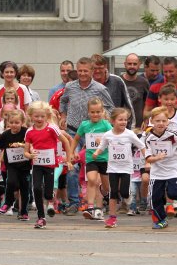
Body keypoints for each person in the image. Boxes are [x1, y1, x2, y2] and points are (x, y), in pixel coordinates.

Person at [59, 57, 114, 215]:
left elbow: (110, 107)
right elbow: (63, 101)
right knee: (72, 165)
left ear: (92, 71)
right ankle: (74, 202)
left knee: (98, 169)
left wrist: (101, 120)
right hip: (74, 130)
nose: (82, 74)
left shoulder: (100, 88)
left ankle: (102, 198)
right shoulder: (70, 86)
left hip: (94, 133)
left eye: (86, 71)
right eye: (80, 71)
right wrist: (63, 116)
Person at [23, 101, 74, 229]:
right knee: (36, 188)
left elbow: (66, 142)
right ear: (31, 116)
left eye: (42, 116)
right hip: (37, 164)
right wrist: (30, 155)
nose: (39, 119)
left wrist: (68, 160)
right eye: (36, 116)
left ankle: (50, 197)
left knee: (47, 193)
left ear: (47, 116)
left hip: (50, 165)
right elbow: (26, 152)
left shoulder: (52, 128)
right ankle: (41, 217)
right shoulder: (29, 131)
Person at [92, 108, 145, 228]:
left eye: (125, 120)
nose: (123, 122)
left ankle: (128, 194)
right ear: (113, 121)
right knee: (113, 193)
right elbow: (102, 146)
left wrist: (147, 158)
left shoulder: (129, 134)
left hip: (126, 168)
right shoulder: (108, 135)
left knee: (124, 193)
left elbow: (141, 145)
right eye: (120, 119)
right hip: (113, 168)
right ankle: (112, 218)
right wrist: (96, 153)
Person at [68, 97, 112, 221]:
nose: (95, 114)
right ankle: (93, 208)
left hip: (104, 159)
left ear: (102, 112)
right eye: (92, 112)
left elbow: (113, 138)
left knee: (105, 187)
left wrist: (103, 140)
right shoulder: (85, 125)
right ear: (88, 112)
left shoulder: (105, 124)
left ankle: (105, 195)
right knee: (92, 180)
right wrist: (71, 152)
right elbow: (76, 139)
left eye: (98, 112)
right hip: (91, 158)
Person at [0, 109, 31, 220]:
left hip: (25, 165)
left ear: (22, 122)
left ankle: (23, 212)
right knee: (11, 182)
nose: (14, 125)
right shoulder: (6, 134)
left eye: (17, 122)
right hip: (11, 165)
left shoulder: (26, 132)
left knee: (24, 188)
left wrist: (21, 145)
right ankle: (8, 203)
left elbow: (33, 144)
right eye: (11, 122)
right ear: (8, 123)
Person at [91, 55, 131, 120]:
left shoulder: (117, 81)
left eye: (100, 68)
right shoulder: (87, 83)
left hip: (114, 124)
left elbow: (128, 105)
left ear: (105, 66)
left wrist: (131, 125)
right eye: (94, 68)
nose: (97, 71)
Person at [120, 53, 149, 124]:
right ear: (125, 64)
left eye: (135, 64)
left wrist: (146, 120)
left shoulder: (144, 82)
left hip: (139, 125)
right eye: (129, 64)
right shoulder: (118, 81)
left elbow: (148, 104)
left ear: (139, 65)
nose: (132, 66)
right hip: (121, 124)